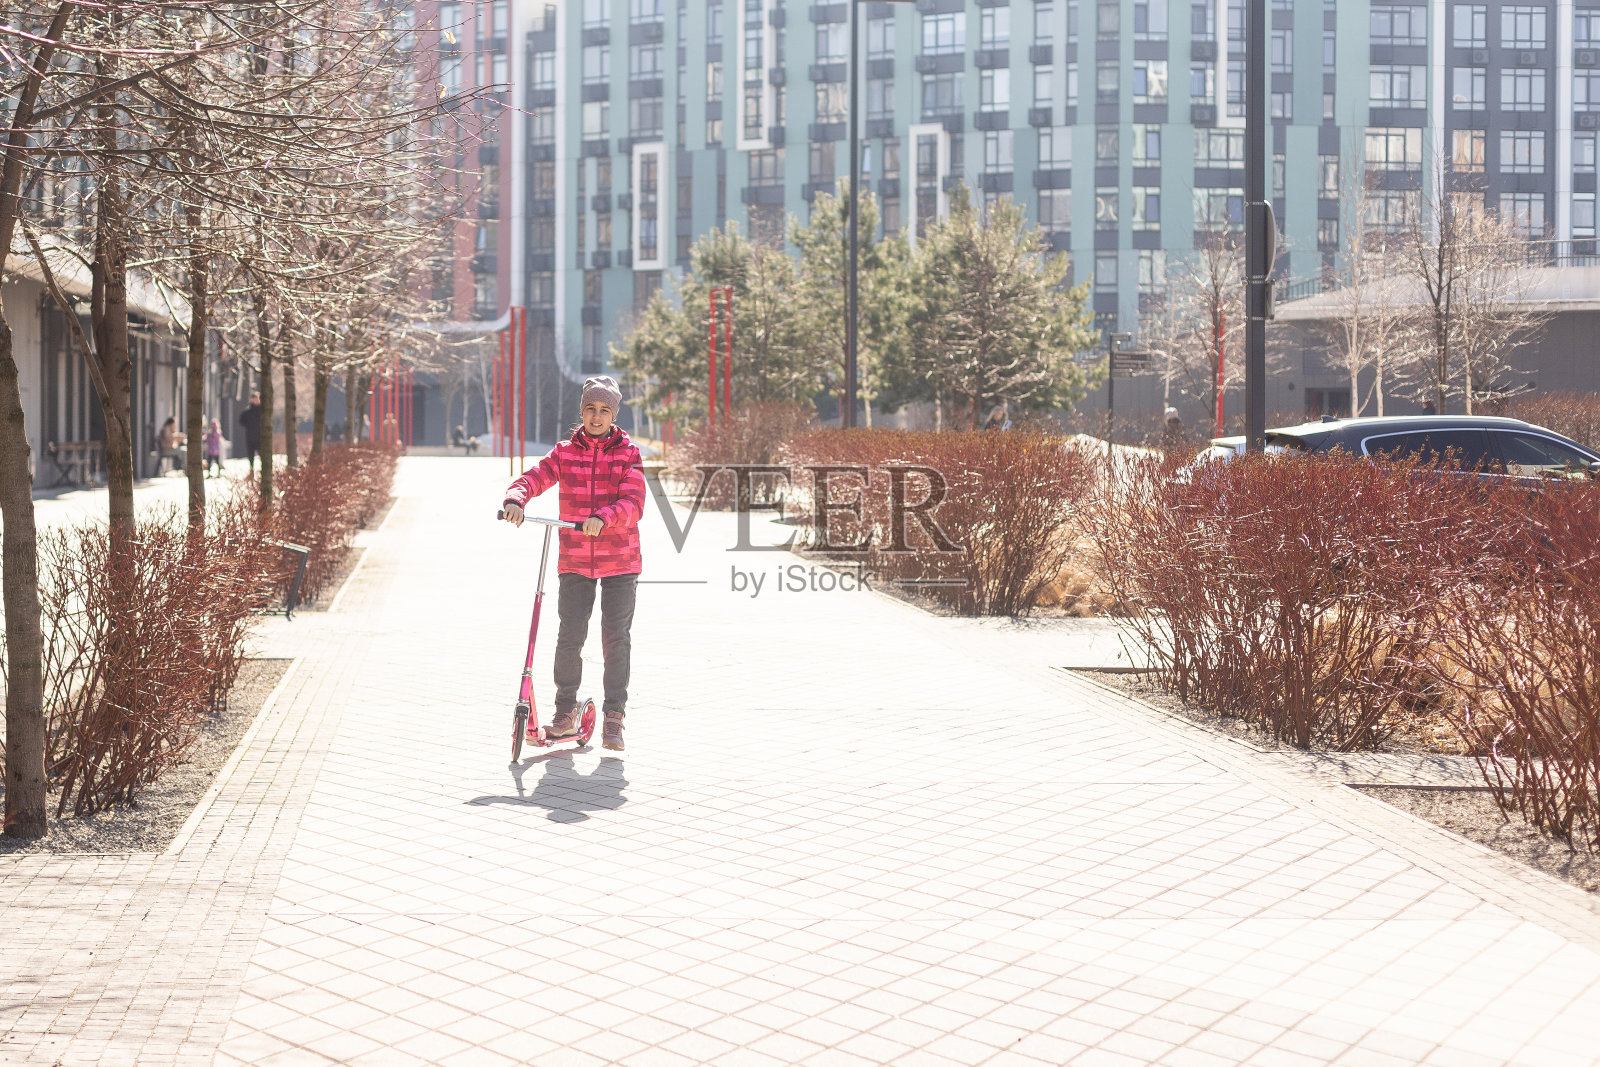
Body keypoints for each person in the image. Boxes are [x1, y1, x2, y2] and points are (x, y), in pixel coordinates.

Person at [501, 375, 644, 752]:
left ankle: (614, 715)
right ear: (581, 411)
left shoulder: (628, 454)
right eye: (590, 410)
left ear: (613, 415)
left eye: (604, 411)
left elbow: (634, 502)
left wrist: (606, 517)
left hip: (620, 559)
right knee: (570, 635)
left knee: (616, 637)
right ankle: (565, 712)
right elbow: (535, 477)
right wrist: (516, 499)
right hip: (576, 558)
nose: (596, 417)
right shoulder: (565, 451)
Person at [238, 392, 262, 475]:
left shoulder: (263, 411)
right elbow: (241, 421)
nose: (255, 400)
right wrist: (249, 425)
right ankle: (251, 471)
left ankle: (263, 471)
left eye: (256, 398)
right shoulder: (247, 411)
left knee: (262, 455)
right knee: (251, 456)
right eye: (253, 399)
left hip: (261, 437)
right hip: (250, 437)